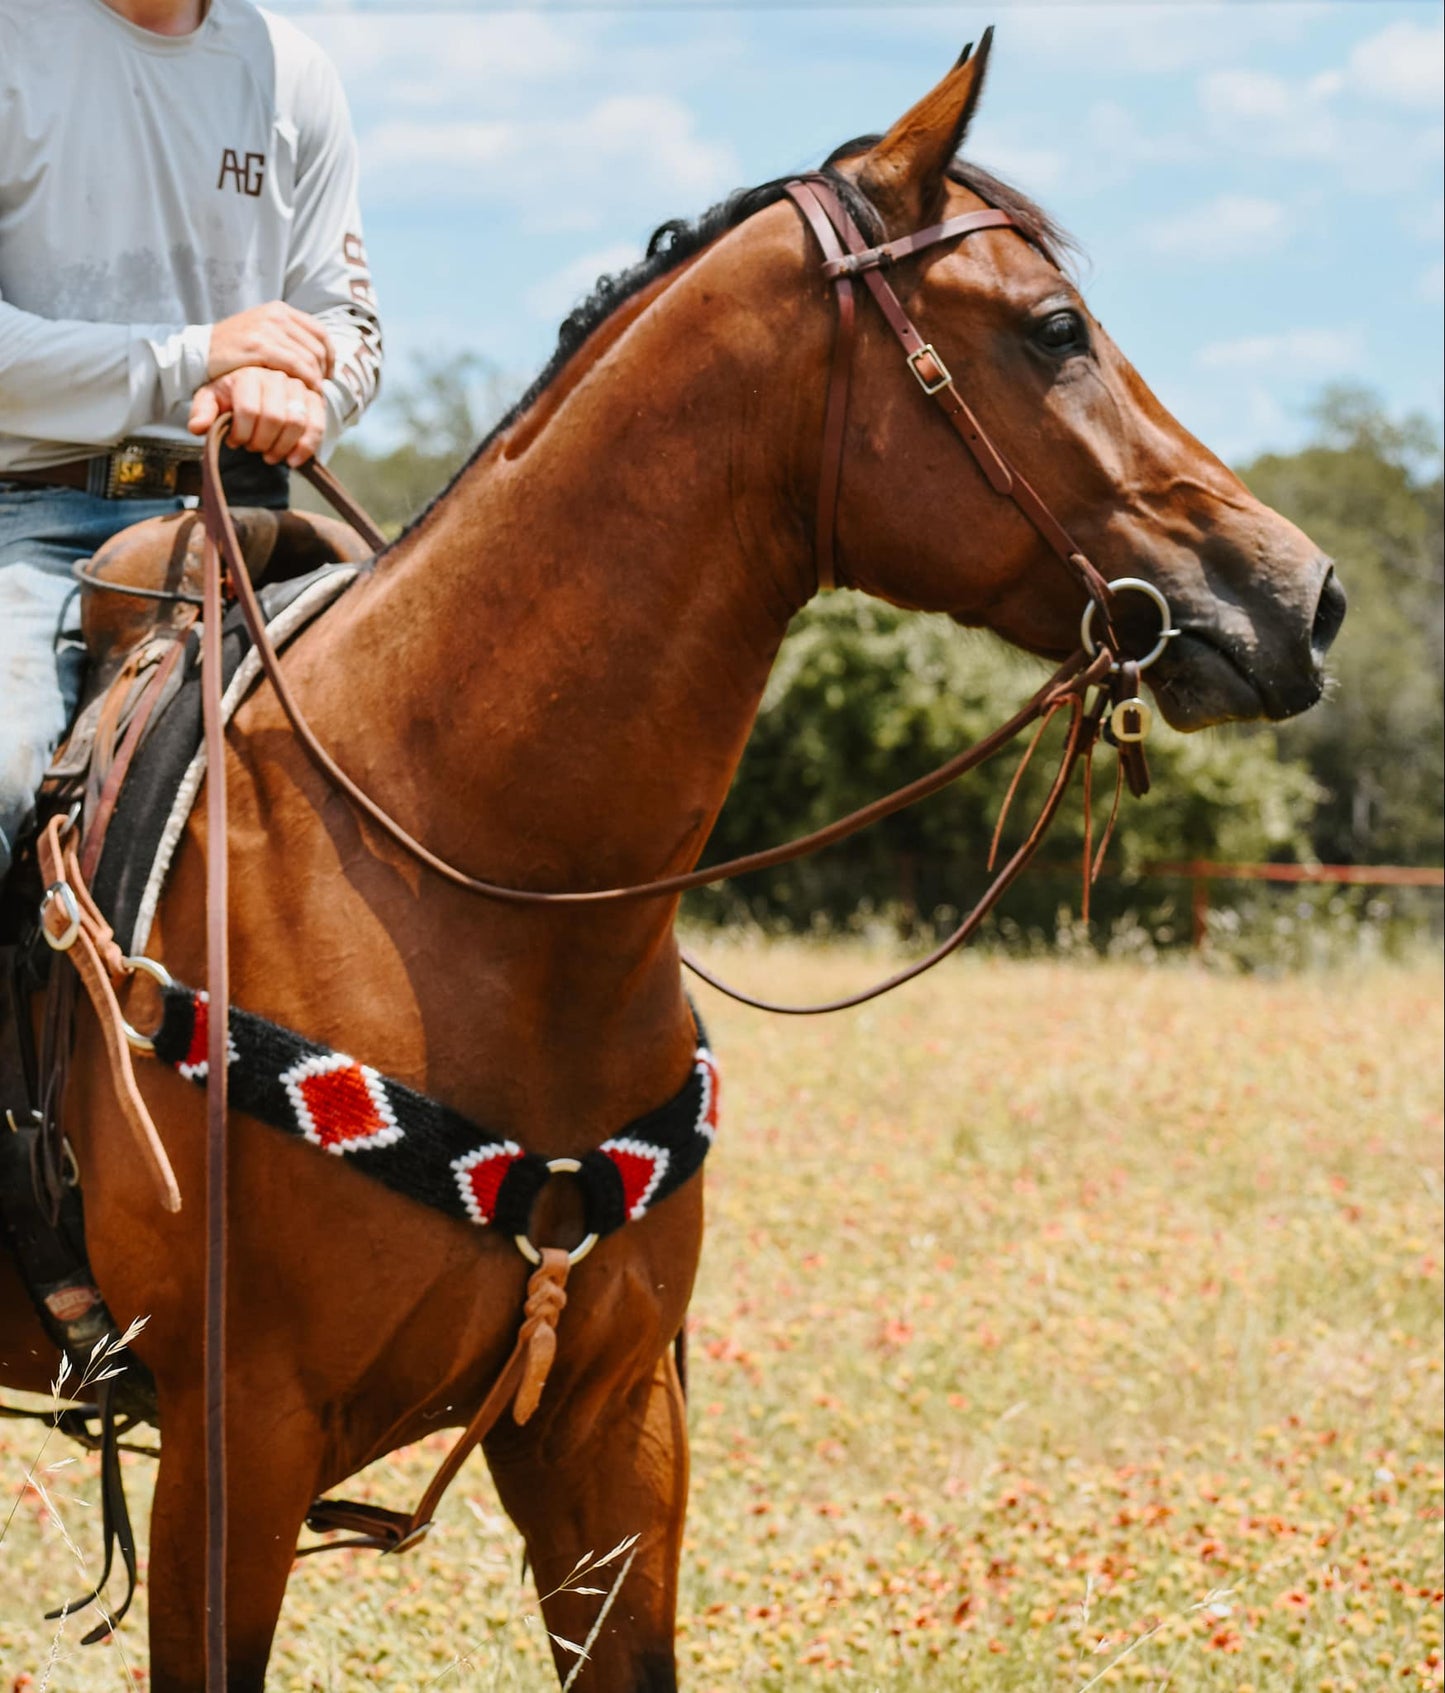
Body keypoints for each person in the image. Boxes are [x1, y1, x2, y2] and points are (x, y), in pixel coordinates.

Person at [0, 0, 383, 881]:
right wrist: (197, 356)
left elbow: (352, 327)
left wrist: (300, 390)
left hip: (249, 512)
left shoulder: (295, 72)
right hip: (47, 515)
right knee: (6, 761)